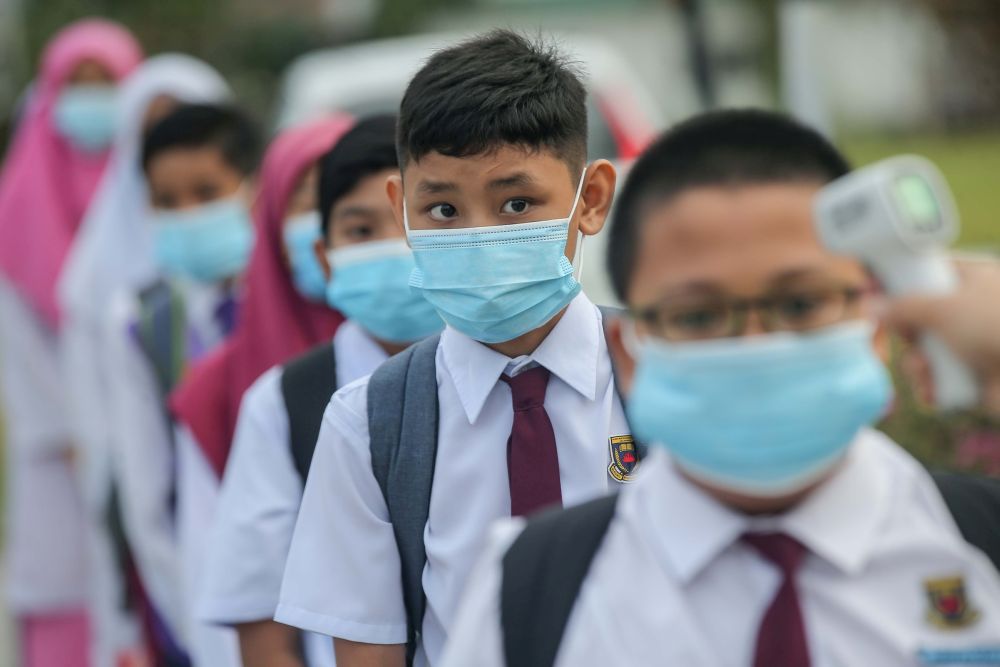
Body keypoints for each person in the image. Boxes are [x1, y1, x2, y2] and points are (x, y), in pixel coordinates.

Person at [439, 110, 1000, 667]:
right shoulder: (530, 589)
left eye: (800, 305)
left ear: (877, 327)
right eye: (699, 316)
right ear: (630, 354)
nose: (754, 345)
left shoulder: (979, 546)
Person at [276, 30, 624, 667]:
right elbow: (365, 650)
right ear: (400, 208)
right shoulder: (370, 425)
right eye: (442, 210)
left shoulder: (660, 378)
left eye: (517, 203)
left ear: (590, 199)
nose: (479, 236)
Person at [196, 114, 444, 667]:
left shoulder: (508, 373)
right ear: (325, 256)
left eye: (409, 226)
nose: (391, 248)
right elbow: (258, 614)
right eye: (360, 231)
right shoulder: (285, 402)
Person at [55, 53, 230, 667]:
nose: (176, 144)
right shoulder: (115, 301)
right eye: (157, 131)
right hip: (159, 552)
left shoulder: (269, 291)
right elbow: (125, 474)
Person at [166, 113, 354, 667]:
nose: (330, 222)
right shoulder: (227, 392)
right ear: (269, 216)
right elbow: (221, 588)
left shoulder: (452, 359)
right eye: (306, 201)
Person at [0, 18, 142, 667]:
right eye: (76, 86)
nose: (91, 102)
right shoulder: (17, 208)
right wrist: (82, 423)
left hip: (143, 434)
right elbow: (16, 340)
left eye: (105, 84)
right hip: (58, 446)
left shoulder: (151, 196)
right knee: (66, 588)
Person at [102, 103, 261, 663]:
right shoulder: (142, 320)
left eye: (206, 192)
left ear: (253, 188)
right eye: (166, 202)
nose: (187, 214)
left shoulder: (291, 302)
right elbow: (145, 492)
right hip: (193, 584)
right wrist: (192, 617)